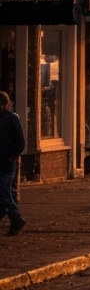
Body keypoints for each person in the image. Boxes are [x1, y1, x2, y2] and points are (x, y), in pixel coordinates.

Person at [1, 92, 25, 235]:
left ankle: (15, 217)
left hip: (6, 161)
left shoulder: (11, 118)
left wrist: (13, 155)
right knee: (4, 190)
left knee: (4, 189)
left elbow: (20, 141)